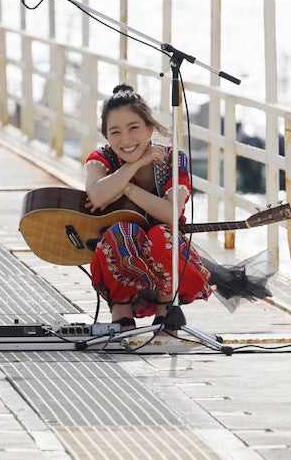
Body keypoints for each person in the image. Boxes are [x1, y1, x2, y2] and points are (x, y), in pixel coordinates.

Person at [83, 83, 213, 329]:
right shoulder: (101, 158)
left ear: (150, 128)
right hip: (120, 262)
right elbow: (98, 196)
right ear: (106, 137)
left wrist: (124, 188)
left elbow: (171, 214)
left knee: (160, 234)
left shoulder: (173, 158)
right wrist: (134, 165)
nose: (126, 139)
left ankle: (166, 308)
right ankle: (121, 310)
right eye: (115, 132)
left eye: (134, 128)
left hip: (165, 261)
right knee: (121, 232)